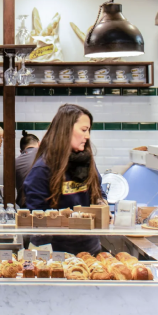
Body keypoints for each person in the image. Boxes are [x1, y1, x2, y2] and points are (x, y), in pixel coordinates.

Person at [23, 103, 104, 255]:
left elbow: (99, 192)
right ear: (66, 130)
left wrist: (101, 204)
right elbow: (38, 217)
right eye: (84, 130)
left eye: (88, 130)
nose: (87, 136)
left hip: (90, 250)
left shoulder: (87, 162)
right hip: (56, 254)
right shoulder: (43, 169)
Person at [15, 131, 39, 207]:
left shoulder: (15, 162)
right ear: (39, 144)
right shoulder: (45, 156)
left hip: (23, 206)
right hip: (43, 205)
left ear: (21, 151)